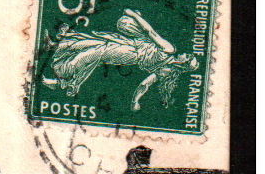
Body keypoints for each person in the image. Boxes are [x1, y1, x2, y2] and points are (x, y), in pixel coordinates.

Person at [41, 9, 199, 111]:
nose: (186, 54)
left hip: (130, 53)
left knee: (97, 51)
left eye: (188, 57)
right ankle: (54, 46)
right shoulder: (167, 69)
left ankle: (61, 80)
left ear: (184, 63)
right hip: (131, 45)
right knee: (96, 42)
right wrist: (135, 101)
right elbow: (145, 84)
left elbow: (150, 32)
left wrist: (133, 15)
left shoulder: (169, 51)